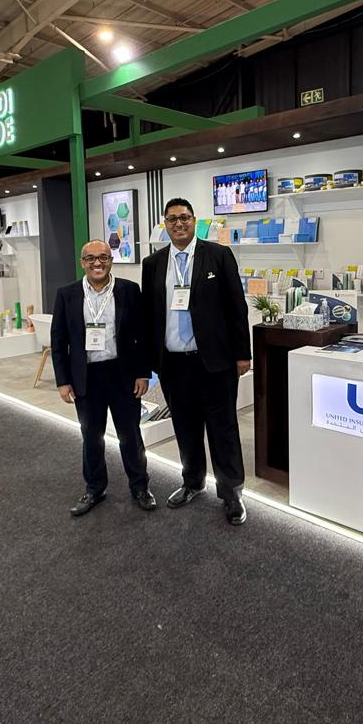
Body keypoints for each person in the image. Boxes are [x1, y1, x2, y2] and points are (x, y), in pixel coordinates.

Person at [141, 197, 251, 526]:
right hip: (173, 364)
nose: (179, 223)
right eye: (172, 219)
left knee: (223, 429)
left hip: (214, 362)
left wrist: (242, 353)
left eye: (185, 218)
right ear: (165, 223)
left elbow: (237, 306)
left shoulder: (218, 255)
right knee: (185, 427)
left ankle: (231, 492)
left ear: (194, 221)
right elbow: (150, 314)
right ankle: (192, 482)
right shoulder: (153, 263)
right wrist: (150, 361)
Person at [51, 239, 154, 516]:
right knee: (91, 436)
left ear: (111, 260)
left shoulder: (129, 290)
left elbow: (142, 336)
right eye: (91, 258)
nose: (97, 263)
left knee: (130, 435)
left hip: (122, 374)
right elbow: (58, 341)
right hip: (86, 377)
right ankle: (95, 488)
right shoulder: (67, 294)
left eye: (103, 257)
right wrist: (63, 381)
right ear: (82, 263)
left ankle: (140, 487)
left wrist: (143, 373)